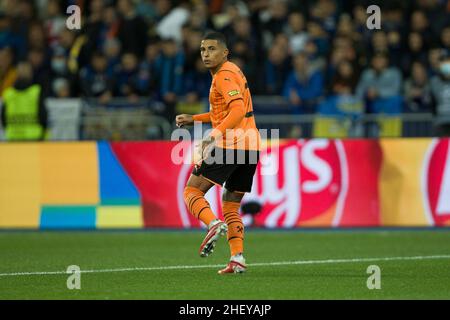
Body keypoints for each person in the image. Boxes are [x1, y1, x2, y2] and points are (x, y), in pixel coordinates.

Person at [175, 32, 260, 274]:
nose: (206, 54)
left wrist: (212, 136)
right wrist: (195, 119)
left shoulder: (223, 76)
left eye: (212, 49)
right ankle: (238, 258)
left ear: (225, 52)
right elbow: (226, 112)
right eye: (203, 50)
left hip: (232, 144)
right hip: (251, 147)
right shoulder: (232, 71)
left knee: (192, 190)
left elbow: (236, 111)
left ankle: (212, 224)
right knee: (231, 205)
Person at [0, 61, 48, 141]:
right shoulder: (36, 92)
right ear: (30, 74)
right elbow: (43, 116)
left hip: (13, 139)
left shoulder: (8, 94)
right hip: (34, 138)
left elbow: (3, 119)